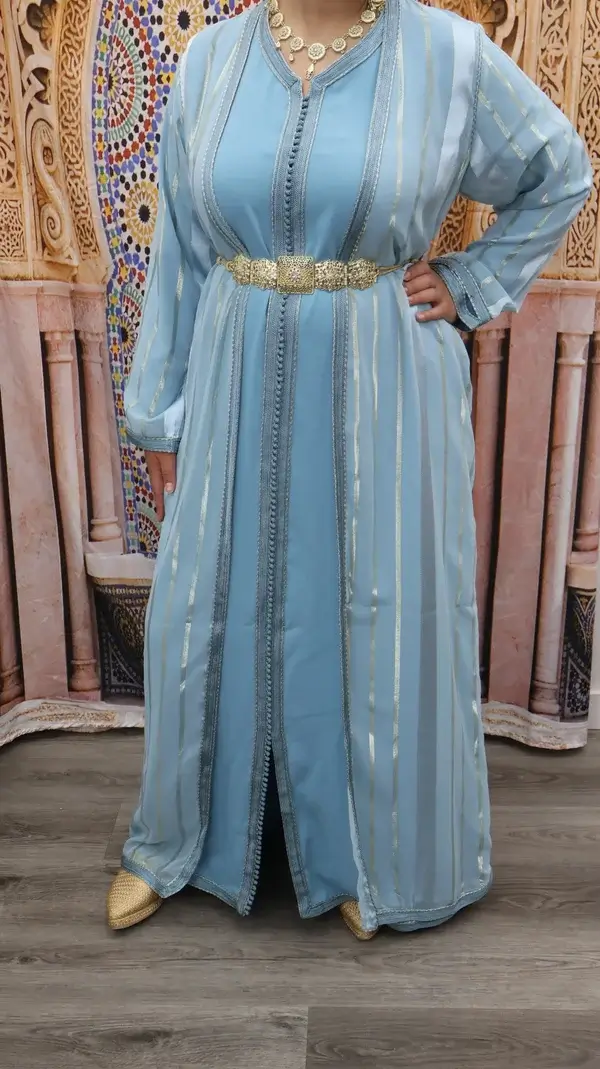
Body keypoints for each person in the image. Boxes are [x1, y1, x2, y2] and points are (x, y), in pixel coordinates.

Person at [107, 0, 592, 937]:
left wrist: (471, 280)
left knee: (372, 607)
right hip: (234, 372)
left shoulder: (448, 55)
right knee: (209, 606)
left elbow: (559, 171)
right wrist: (160, 416)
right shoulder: (210, 62)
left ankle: (366, 854)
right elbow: (183, 251)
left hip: (384, 381)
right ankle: (182, 837)